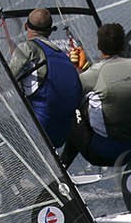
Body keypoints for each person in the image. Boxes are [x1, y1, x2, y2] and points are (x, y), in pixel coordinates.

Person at [60, 23, 131, 169]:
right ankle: (63, 169)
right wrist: (86, 67)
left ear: (98, 45)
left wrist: (73, 66)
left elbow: (70, 91)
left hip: (101, 153)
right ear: (123, 44)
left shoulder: (97, 72)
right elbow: (109, 81)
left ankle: (62, 168)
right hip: (129, 152)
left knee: (73, 110)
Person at [6, 9, 81, 150]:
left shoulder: (27, 47)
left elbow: (7, 78)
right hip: (61, 135)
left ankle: (2, 168)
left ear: (26, 27)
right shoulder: (64, 57)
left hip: (39, 132)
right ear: (51, 31)